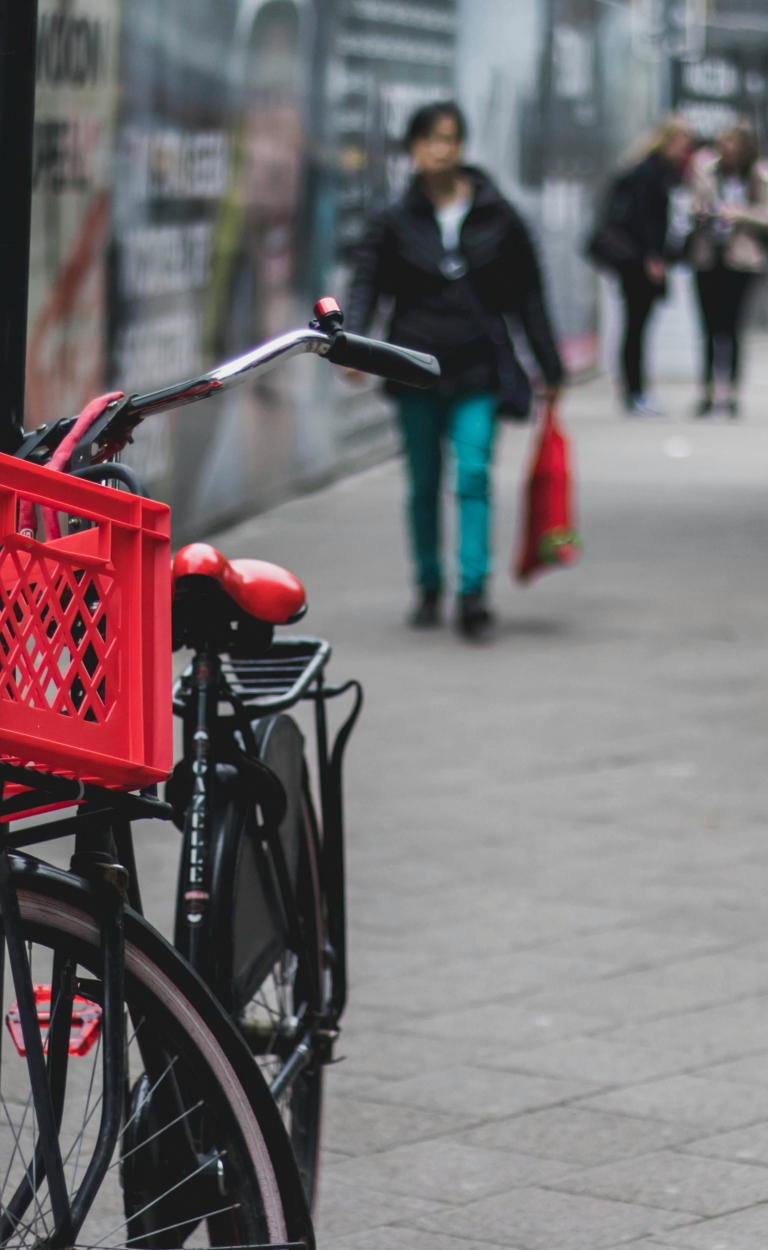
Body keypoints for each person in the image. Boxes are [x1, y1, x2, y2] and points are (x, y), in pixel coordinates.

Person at [344, 101, 564, 639]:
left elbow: (528, 295)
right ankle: (428, 584)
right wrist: (350, 349)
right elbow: (367, 283)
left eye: (450, 138)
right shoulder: (393, 221)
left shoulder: (500, 216)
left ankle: (472, 591)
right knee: (423, 481)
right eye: (429, 140)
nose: (440, 150)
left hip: (479, 366)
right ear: (413, 151)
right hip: (413, 363)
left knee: (472, 474)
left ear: (463, 146)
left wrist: (549, 366)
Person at [609, 117, 694, 415]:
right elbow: (645, 219)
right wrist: (653, 257)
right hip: (639, 263)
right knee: (635, 327)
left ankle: (636, 391)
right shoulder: (650, 172)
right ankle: (635, 392)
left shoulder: (655, 170)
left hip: (641, 260)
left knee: (637, 326)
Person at [689, 123, 768, 417]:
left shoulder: (759, 176)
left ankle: (732, 392)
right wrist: (702, 211)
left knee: (733, 328)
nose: (729, 150)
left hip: (743, 259)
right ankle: (707, 391)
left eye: (735, 144)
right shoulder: (707, 171)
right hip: (709, 256)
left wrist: (740, 214)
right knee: (708, 328)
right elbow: (694, 203)